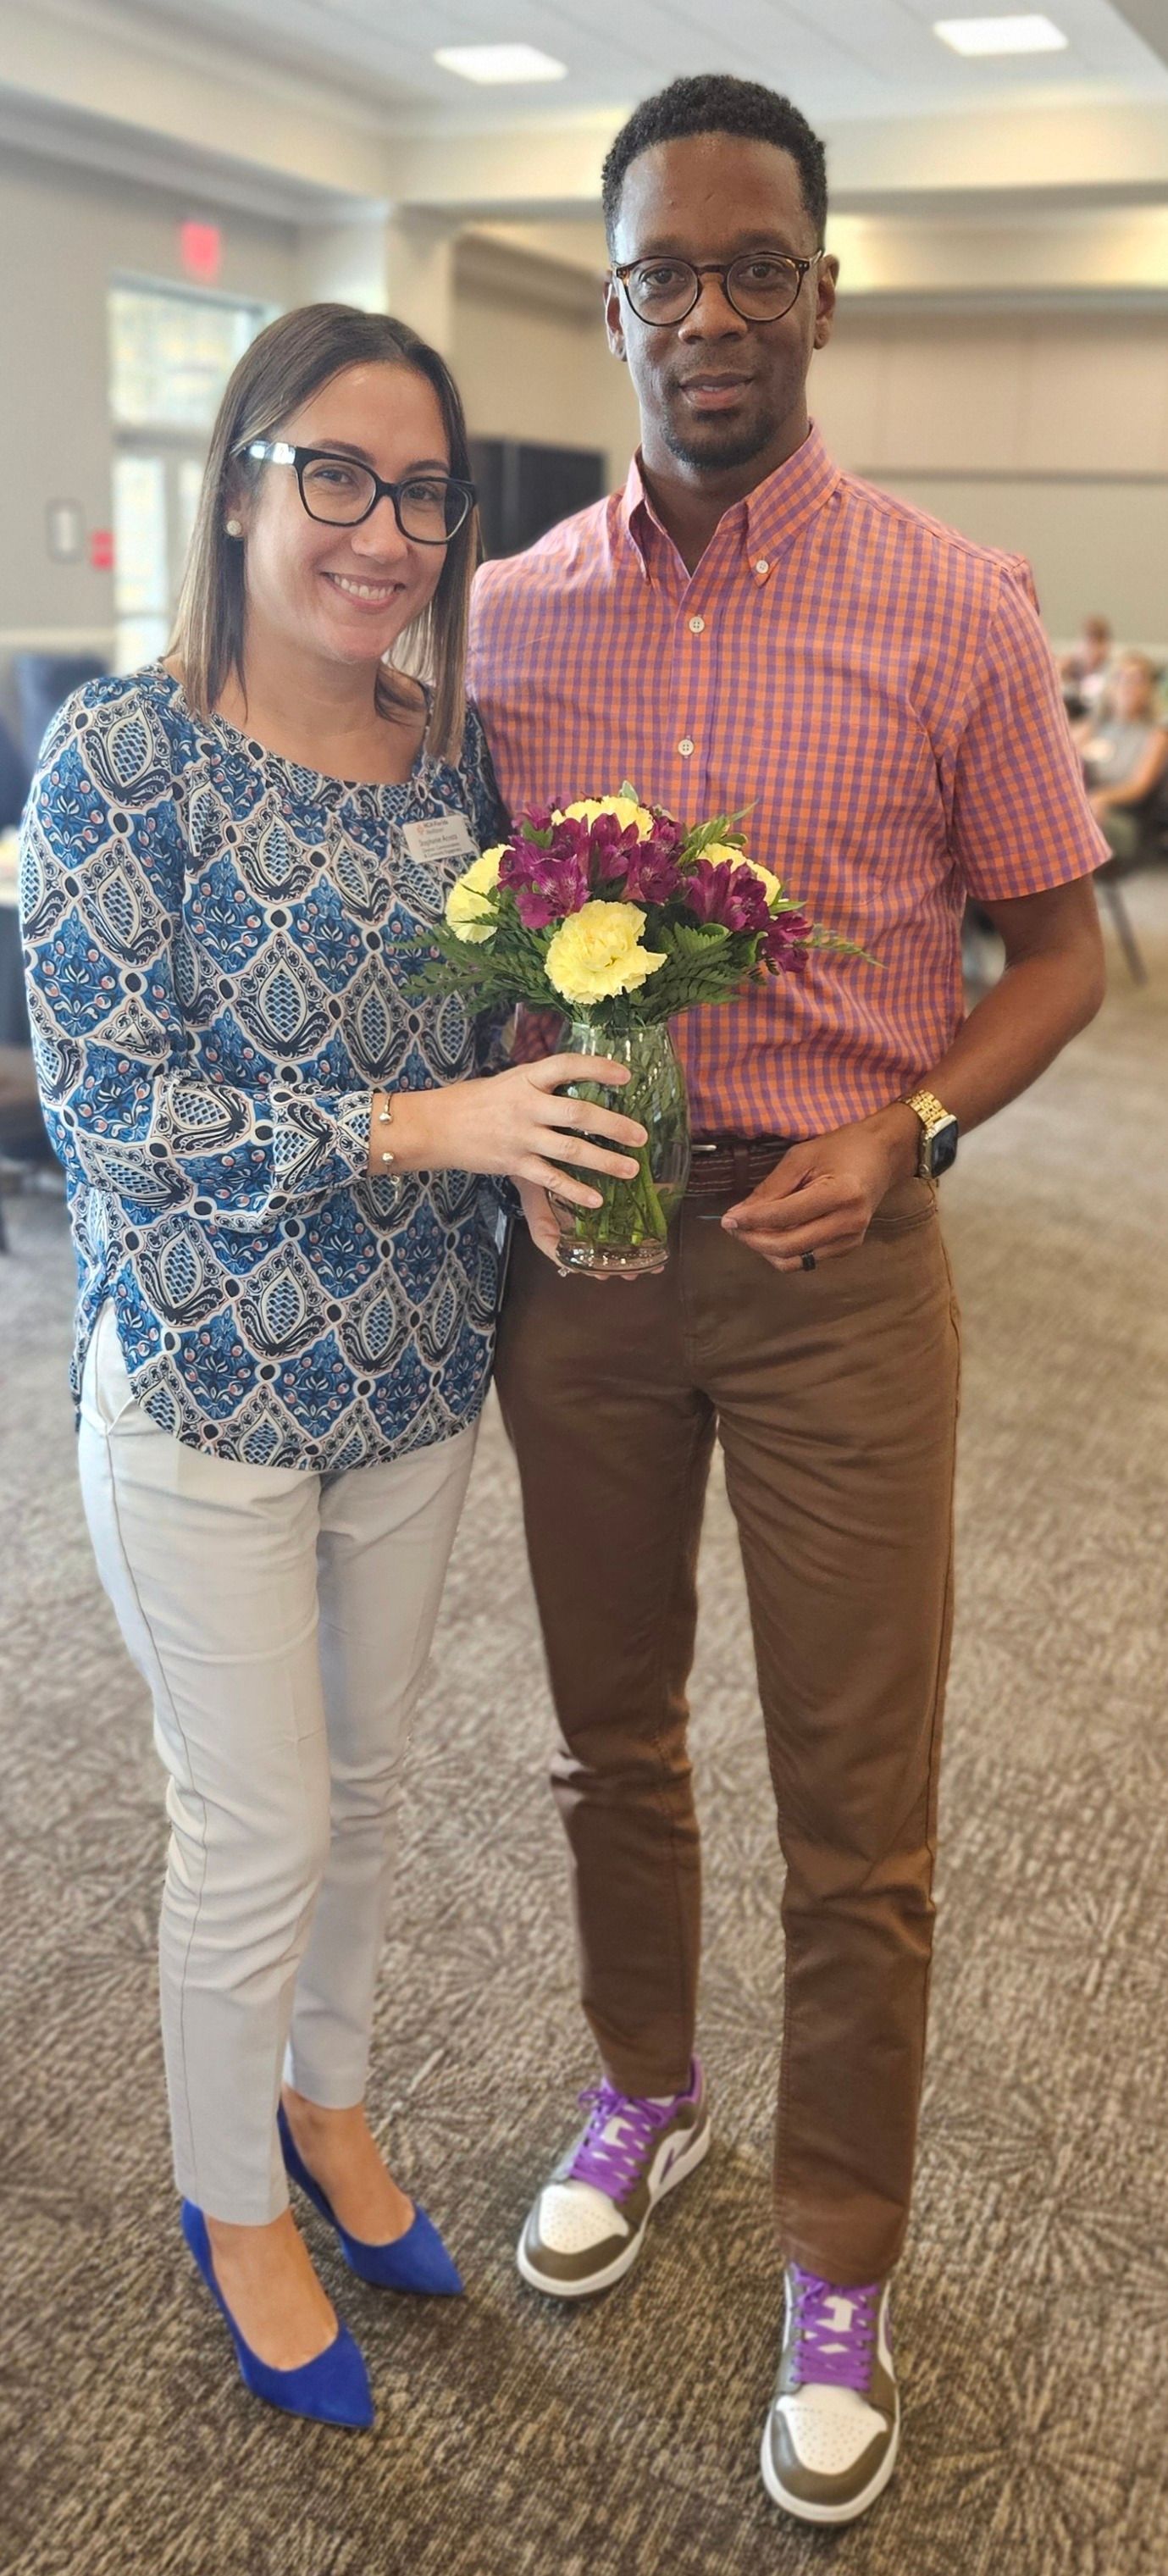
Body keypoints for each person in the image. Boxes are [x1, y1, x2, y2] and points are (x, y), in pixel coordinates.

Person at [468, 75, 1108, 2527]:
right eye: (661, 274)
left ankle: (836, 2244)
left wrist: (913, 1122)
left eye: (755, 269)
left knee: (859, 1800)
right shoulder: (515, 617)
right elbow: (479, 941)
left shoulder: (953, 601)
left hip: (847, 1279)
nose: (706, 315)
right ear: (613, 293)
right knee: (605, 1736)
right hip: (596, 1264)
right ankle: (644, 2085)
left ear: (823, 294)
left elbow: (1054, 951)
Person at [19, 302, 645, 2430]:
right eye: (337, 475)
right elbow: (118, 1125)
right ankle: (233, 2200)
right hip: (197, 1392)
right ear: (238, 477)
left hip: (408, 1382)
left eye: (425, 491)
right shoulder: (122, 759)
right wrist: (430, 1131)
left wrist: (542, 1120)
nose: (386, 533)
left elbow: (473, 1040)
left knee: (364, 1793)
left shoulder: (450, 767)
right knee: (256, 1821)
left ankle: (329, 2103)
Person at [1074, 651, 1168, 862]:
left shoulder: (1156, 734)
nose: (1128, 687)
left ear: (1149, 690)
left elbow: (1138, 787)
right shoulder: (1093, 726)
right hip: (1081, 808)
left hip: (1123, 817)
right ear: (1110, 685)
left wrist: (1101, 798)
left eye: (1137, 680)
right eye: (1122, 678)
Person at [1059, 613, 1114, 717]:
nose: (1090, 648)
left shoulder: (1111, 674)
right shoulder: (1066, 668)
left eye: (1097, 642)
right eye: (1087, 640)